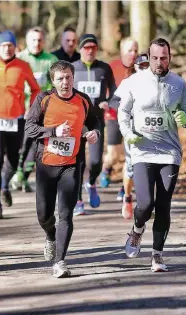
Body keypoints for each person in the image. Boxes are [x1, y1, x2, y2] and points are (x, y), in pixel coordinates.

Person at [118, 38, 186, 272]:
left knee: (163, 205)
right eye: (154, 58)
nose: (159, 62)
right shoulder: (135, 81)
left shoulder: (179, 84)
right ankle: (137, 229)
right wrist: (127, 132)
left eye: (163, 57)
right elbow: (123, 110)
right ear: (148, 58)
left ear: (169, 57)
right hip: (142, 149)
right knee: (145, 203)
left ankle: (157, 255)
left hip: (169, 152)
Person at [25, 60, 100, 278]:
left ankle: (60, 261)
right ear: (53, 81)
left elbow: (95, 122)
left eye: (68, 77)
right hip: (46, 164)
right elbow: (30, 128)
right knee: (44, 214)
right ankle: (50, 235)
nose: (65, 82)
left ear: (73, 78)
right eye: (60, 78)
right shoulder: (44, 99)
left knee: (66, 214)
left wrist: (94, 133)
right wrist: (54, 131)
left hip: (71, 164)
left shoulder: (83, 100)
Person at [0, 31, 40, 219]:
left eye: (10, 45)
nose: (7, 48)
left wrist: (31, 109)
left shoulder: (23, 66)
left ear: (14, 47)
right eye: (3, 45)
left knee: (12, 160)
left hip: (16, 119)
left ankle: (5, 185)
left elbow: (35, 89)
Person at [72, 34, 116, 215]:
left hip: (96, 121)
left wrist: (108, 102)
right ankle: (78, 200)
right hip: (76, 122)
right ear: (81, 49)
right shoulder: (72, 68)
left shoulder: (104, 68)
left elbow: (114, 90)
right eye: (86, 47)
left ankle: (91, 183)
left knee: (96, 161)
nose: (90, 51)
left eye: (93, 48)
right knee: (77, 162)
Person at [14, 27, 58, 192]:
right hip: (23, 109)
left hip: (44, 110)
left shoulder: (51, 59)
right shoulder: (20, 59)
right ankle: (17, 172)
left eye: (40, 40)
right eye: (33, 40)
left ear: (44, 42)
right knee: (23, 144)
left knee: (37, 145)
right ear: (27, 41)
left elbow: (55, 86)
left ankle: (24, 177)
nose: (37, 43)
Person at [109, 53, 149, 219]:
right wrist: (129, 107)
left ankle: (147, 202)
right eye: (142, 66)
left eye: (147, 66)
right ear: (136, 67)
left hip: (153, 130)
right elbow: (114, 101)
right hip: (133, 129)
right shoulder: (129, 82)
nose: (144, 69)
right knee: (132, 166)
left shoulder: (159, 83)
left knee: (151, 165)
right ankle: (127, 197)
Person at [100, 38, 138, 193]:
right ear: (122, 51)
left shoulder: (141, 68)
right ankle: (106, 168)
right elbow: (103, 88)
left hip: (135, 116)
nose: (133, 53)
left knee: (133, 154)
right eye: (130, 50)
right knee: (114, 154)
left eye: (135, 50)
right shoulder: (112, 67)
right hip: (114, 114)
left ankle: (125, 187)